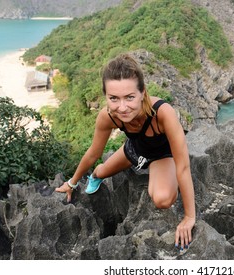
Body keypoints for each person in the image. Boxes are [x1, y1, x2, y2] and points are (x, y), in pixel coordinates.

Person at [55, 53, 195, 250]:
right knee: (100, 172)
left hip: (162, 155)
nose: (122, 107)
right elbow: (93, 153)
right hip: (134, 149)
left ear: (142, 93)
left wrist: (189, 217)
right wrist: (72, 183)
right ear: (106, 96)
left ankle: (154, 170)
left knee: (163, 199)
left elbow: (183, 166)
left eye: (130, 97)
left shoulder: (163, 113)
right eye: (113, 98)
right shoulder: (108, 117)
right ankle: (97, 175)